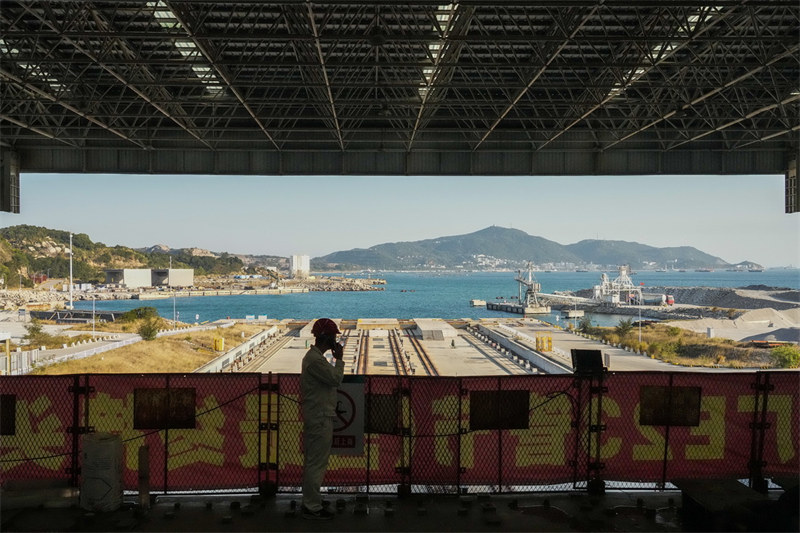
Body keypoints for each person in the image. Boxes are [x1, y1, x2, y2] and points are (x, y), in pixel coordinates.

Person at [300, 318, 344, 520]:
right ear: (327, 338)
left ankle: (312, 499)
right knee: (316, 463)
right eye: (333, 336)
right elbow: (335, 379)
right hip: (319, 417)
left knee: (314, 462)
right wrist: (339, 360)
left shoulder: (315, 358)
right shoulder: (315, 361)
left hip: (318, 415)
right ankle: (312, 506)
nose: (335, 339)